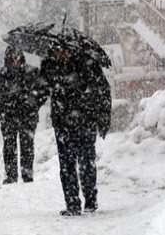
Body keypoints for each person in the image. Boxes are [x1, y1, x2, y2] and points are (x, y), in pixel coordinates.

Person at [40, 44, 111, 216]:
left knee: (86, 163)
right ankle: (72, 203)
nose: (61, 53)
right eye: (56, 50)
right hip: (62, 124)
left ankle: (90, 200)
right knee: (66, 165)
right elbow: (40, 90)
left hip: (84, 122)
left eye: (64, 49)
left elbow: (102, 90)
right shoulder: (50, 66)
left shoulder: (87, 64)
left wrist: (103, 118)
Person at [0, 46, 47, 184]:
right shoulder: (0, 75)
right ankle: (11, 175)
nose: (15, 60)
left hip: (27, 116)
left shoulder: (32, 72)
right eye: (12, 58)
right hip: (8, 116)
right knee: (9, 146)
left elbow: (43, 91)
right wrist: (0, 110)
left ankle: (27, 174)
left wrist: (33, 104)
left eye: (17, 57)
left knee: (27, 146)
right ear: (8, 59)